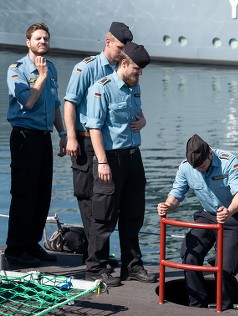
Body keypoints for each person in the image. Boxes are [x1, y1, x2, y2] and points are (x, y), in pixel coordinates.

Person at [63, 22, 138, 257]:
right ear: (108, 43)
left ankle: (101, 254)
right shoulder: (86, 68)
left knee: (107, 201)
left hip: (110, 145)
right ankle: (94, 256)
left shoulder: (122, 69)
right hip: (85, 140)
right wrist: (70, 137)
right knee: (88, 198)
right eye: (119, 47)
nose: (122, 51)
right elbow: (70, 103)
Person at [84, 41, 155, 287]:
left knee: (134, 215)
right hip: (110, 159)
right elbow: (94, 128)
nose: (140, 73)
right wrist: (102, 161)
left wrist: (143, 121)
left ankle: (132, 266)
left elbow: (136, 114)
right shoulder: (101, 89)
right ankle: (96, 268)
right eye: (137, 68)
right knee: (104, 217)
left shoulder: (134, 87)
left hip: (133, 157)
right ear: (123, 63)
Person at [157, 134, 238, 310]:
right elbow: (176, 195)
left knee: (225, 267)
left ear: (210, 154)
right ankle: (197, 306)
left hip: (232, 216)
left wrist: (228, 211)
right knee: (189, 255)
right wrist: (167, 206)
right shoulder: (186, 168)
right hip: (207, 215)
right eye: (196, 168)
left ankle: (225, 307)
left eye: (203, 167)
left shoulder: (229, 162)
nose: (200, 170)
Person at [5, 22, 66, 265]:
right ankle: (15, 251)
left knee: (42, 195)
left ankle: (32, 245)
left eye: (46, 38)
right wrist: (40, 77)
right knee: (24, 195)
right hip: (24, 137)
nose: (43, 42)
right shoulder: (16, 69)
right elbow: (28, 102)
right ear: (28, 42)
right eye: (38, 38)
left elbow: (55, 104)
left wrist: (63, 134)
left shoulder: (51, 67)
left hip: (43, 137)